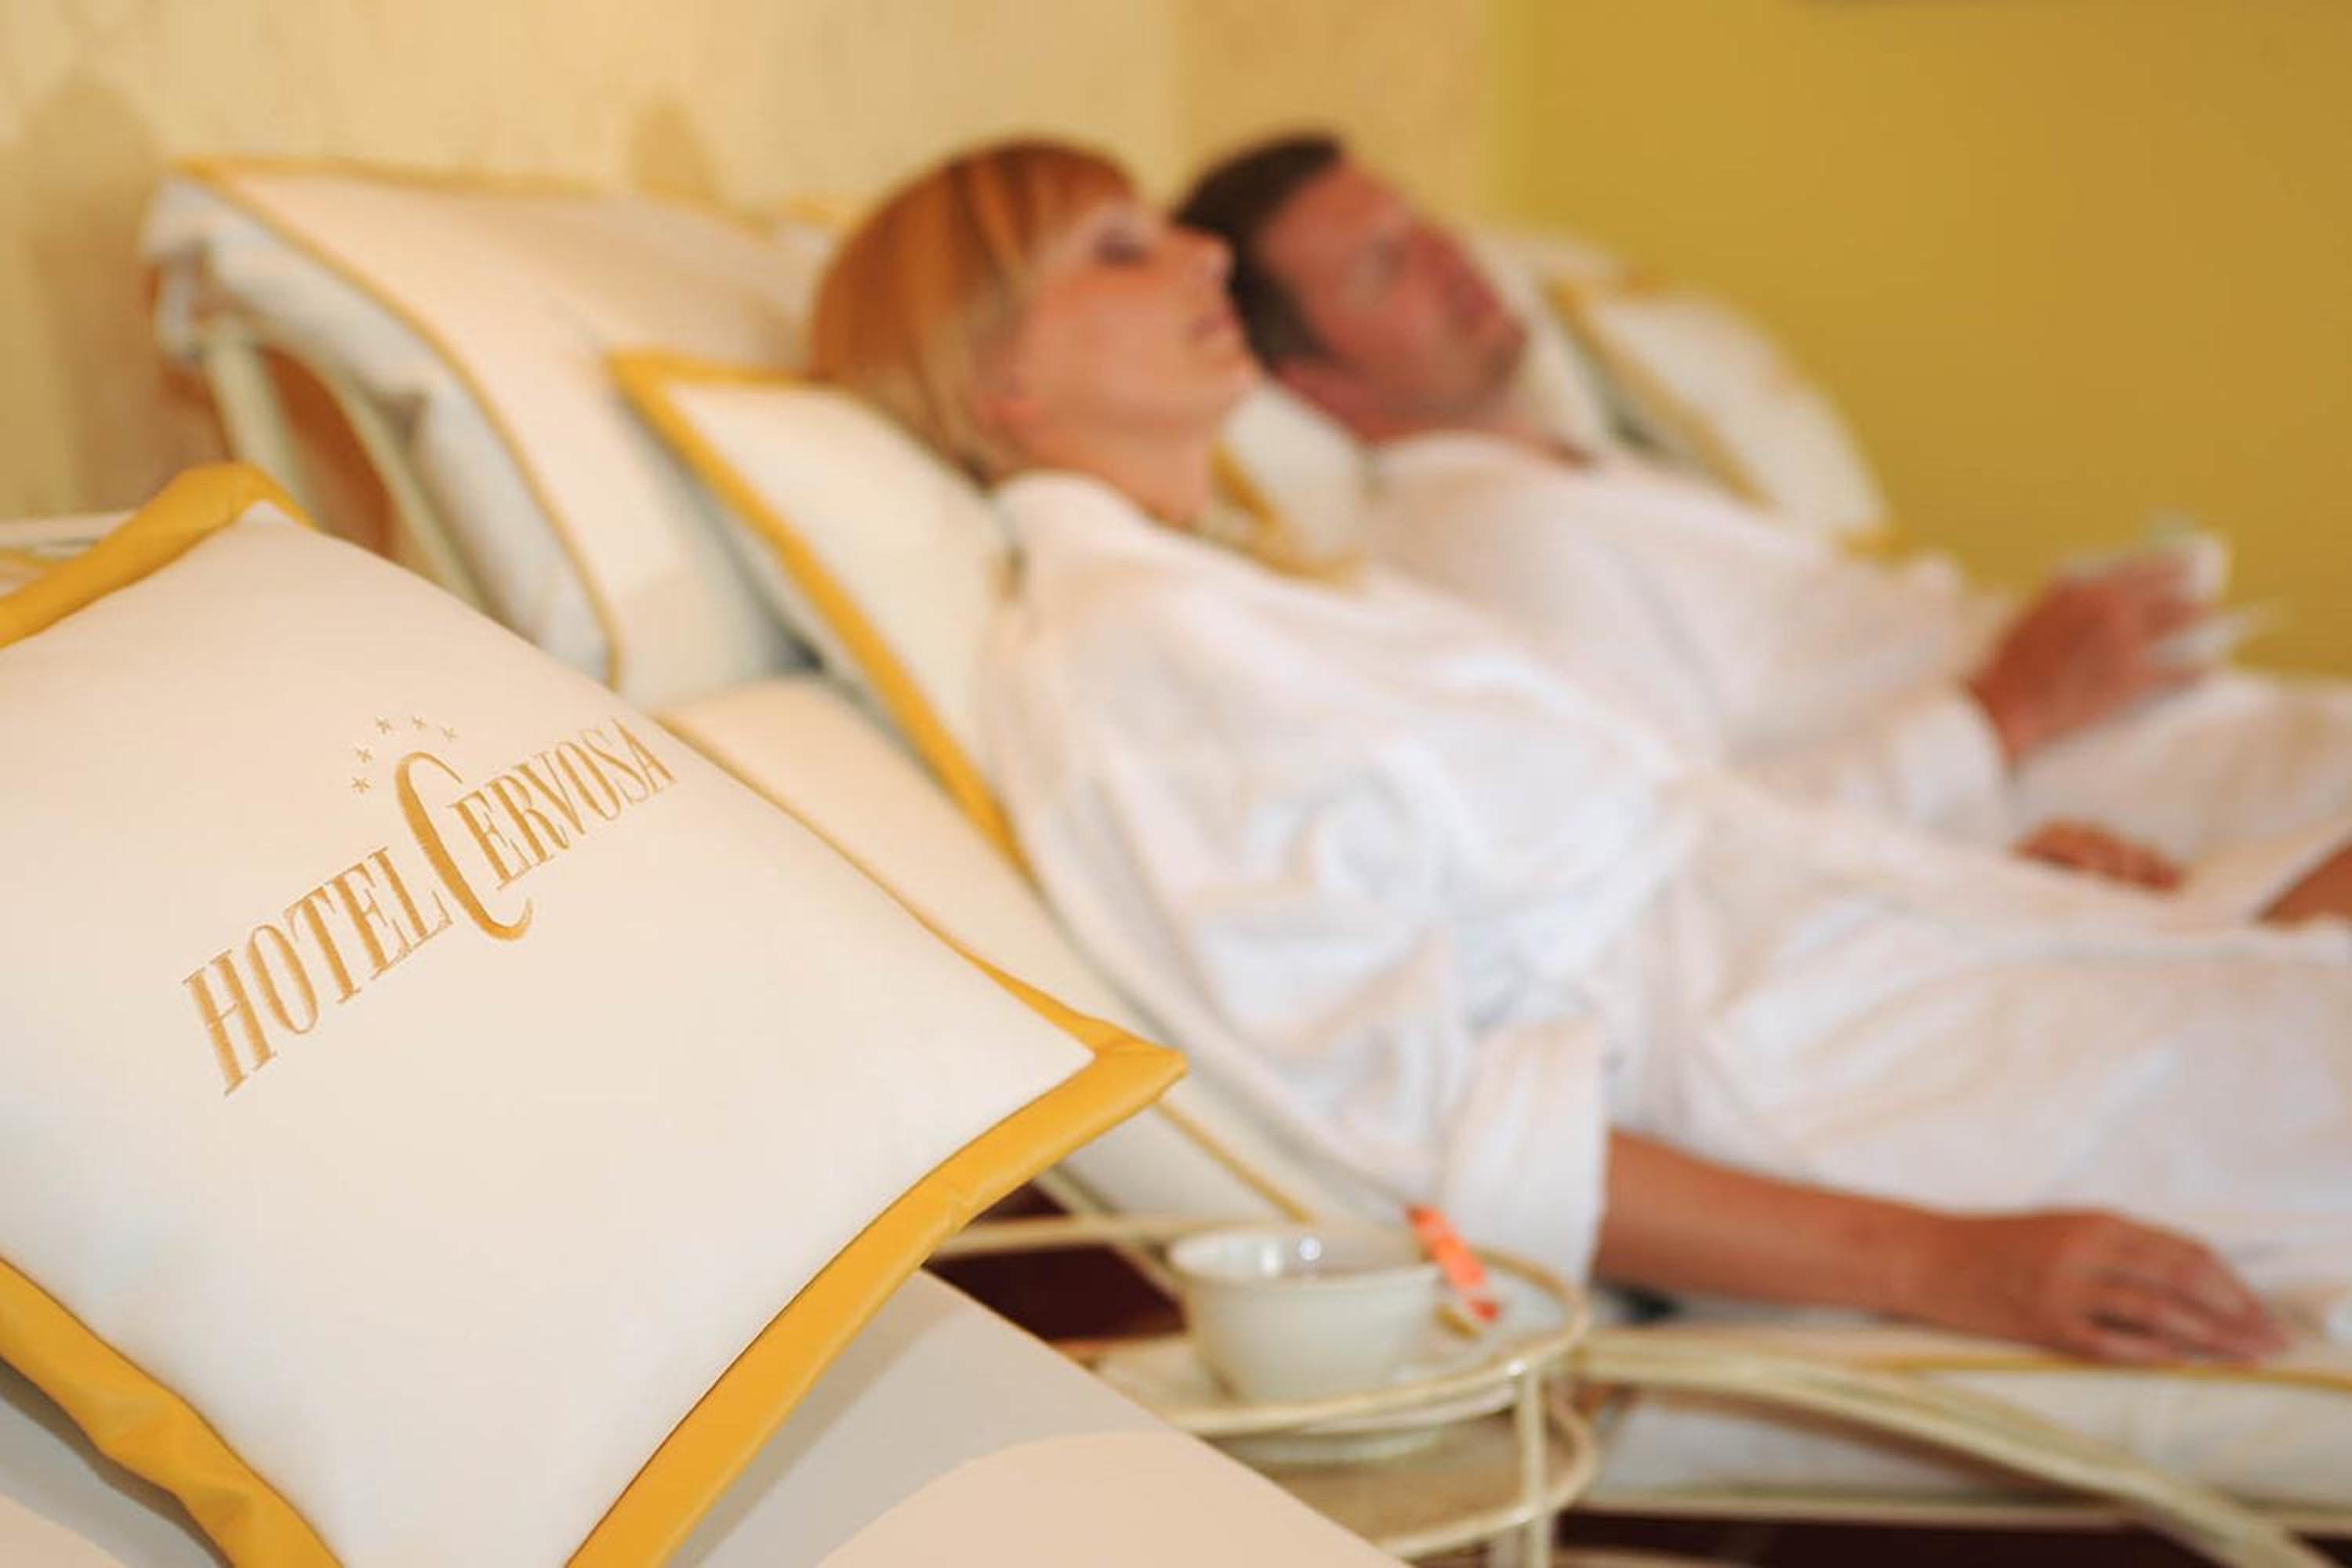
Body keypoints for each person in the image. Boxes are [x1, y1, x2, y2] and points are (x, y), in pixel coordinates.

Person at [810, 137, 2352, 1365]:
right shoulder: (1131, 657)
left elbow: (1678, 814)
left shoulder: (1259, 597)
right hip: (1826, 1080)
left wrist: (2008, 887)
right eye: (1120, 249)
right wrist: (1952, 1264)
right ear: (1000, 377)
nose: (1204, 256)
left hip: (1868, 975)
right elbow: (1446, 1121)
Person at [1177, 134, 2352, 916]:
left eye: (1423, 222)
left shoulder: (1591, 471)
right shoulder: (1489, 536)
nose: (1449, 258)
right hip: (2122, 815)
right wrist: (2009, 707)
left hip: (2207, 752)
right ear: (1313, 384)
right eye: (1382, 268)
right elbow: (1691, 857)